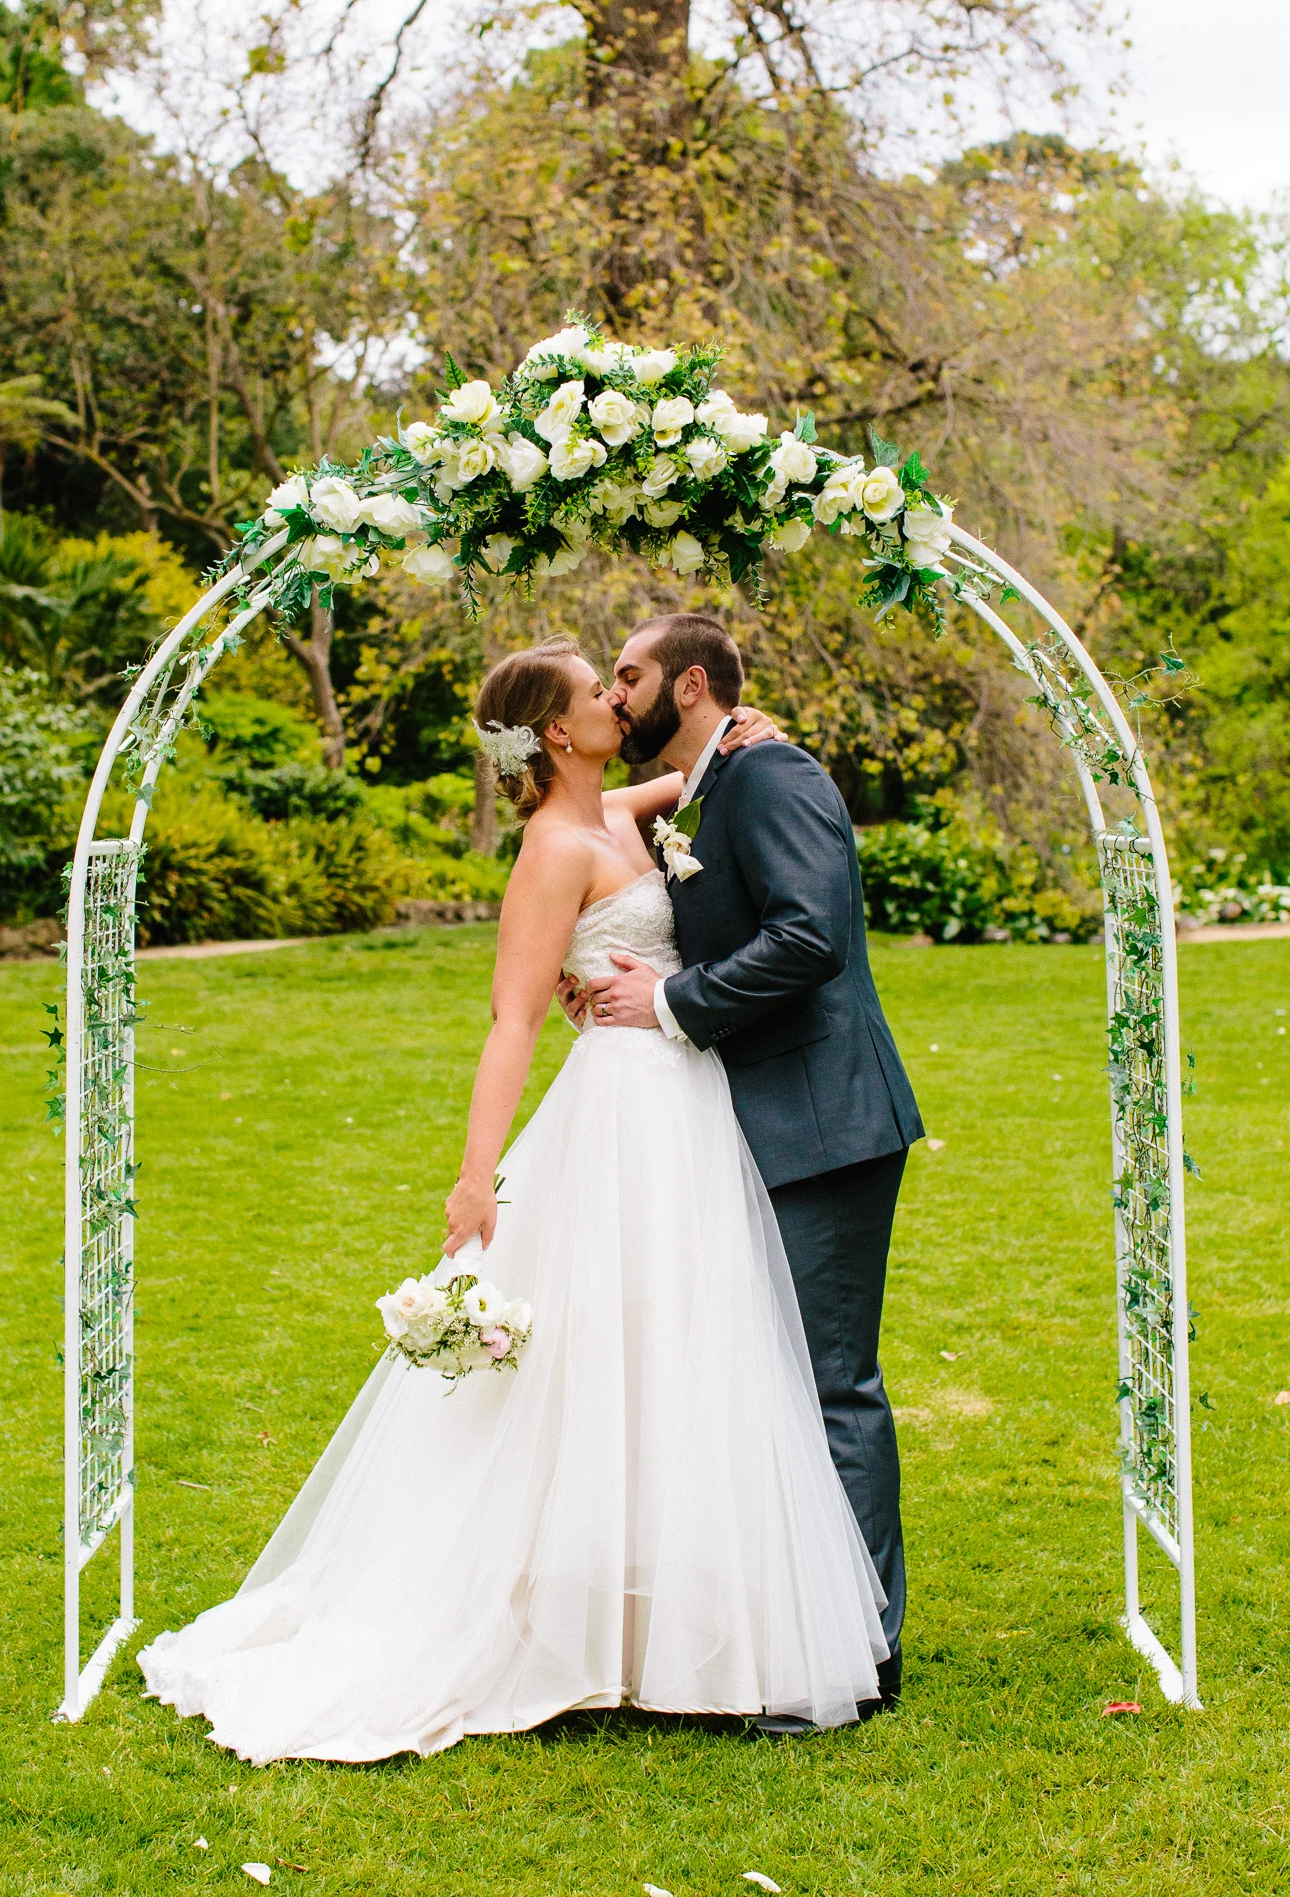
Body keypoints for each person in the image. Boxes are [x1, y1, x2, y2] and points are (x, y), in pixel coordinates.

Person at [137, 637, 890, 1764]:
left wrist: (746, 726)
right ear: (556, 732)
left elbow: (695, 774)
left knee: (690, 1350)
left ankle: (674, 1612)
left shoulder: (622, 810)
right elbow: (513, 1020)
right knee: (595, 1357)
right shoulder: (550, 848)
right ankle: (581, 1618)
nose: (614, 702)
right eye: (599, 692)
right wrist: (474, 1174)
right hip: (621, 1114)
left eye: (620, 682)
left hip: (687, 1110)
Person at [575, 614, 923, 1720]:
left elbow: (809, 933)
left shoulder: (768, 774)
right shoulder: (711, 779)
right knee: (770, 1379)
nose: (615, 695)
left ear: (684, 683)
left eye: (625, 676)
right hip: (750, 1121)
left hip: (822, 1121)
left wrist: (669, 1000)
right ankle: (799, 1626)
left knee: (830, 1383)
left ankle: (864, 1649)